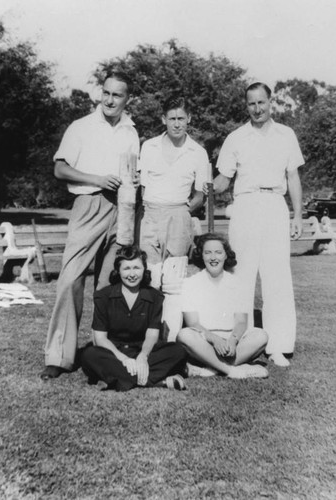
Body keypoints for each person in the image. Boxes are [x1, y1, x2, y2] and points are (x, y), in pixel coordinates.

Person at [40, 70, 140, 380]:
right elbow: (59, 169)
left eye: (117, 95)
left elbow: (132, 172)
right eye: (106, 93)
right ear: (101, 93)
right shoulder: (80, 126)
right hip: (89, 205)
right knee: (70, 279)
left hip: (121, 209)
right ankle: (59, 356)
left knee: (109, 285)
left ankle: (107, 351)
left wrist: (135, 179)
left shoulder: (131, 131)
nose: (110, 100)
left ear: (127, 99)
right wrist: (95, 178)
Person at [209, 82, 304, 367]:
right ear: (246, 105)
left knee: (277, 277)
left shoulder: (286, 134)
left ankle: (278, 346)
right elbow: (223, 179)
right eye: (252, 104)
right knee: (241, 276)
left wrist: (297, 214)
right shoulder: (236, 138)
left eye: (261, 103)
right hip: (246, 206)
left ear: (270, 102)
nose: (257, 109)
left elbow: (293, 178)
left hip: (275, 205)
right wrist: (202, 190)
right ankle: (245, 342)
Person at [80, 246, 188, 391]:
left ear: (144, 269)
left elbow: (152, 334)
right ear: (118, 271)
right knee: (89, 354)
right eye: (126, 268)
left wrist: (142, 357)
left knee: (178, 351)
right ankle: (158, 382)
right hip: (113, 353)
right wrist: (123, 359)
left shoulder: (155, 297)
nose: (132, 274)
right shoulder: (103, 296)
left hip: (141, 351)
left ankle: (117, 379)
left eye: (136, 268)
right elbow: (100, 339)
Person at [177, 233, 269, 379]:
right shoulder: (191, 283)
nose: (213, 258)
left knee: (261, 336)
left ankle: (212, 368)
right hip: (205, 340)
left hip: (231, 339)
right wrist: (214, 339)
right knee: (184, 335)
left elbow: (241, 321)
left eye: (218, 252)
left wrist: (233, 340)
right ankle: (233, 370)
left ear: (226, 255)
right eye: (208, 253)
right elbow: (193, 322)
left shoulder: (237, 283)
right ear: (201, 255)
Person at [139, 96, 209, 268]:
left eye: (181, 119)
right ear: (164, 119)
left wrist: (182, 213)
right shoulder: (149, 147)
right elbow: (142, 188)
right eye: (172, 119)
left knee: (174, 277)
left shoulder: (198, 152)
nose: (177, 124)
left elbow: (200, 196)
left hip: (179, 217)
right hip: (150, 217)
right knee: (150, 274)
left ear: (189, 118)